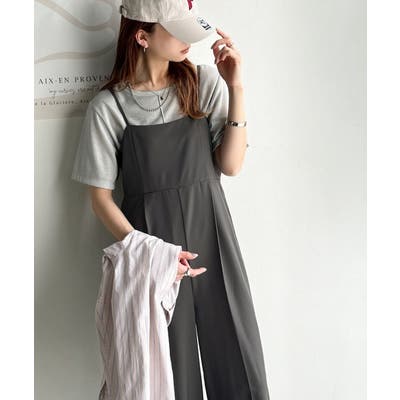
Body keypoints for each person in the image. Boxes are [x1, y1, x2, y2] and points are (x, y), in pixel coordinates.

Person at [71, 0, 271, 399]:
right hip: (154, 251)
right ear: (142, 37)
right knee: (168, 365)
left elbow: (231, 166)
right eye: (176, 30)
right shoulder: (109, 108)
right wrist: (150, 252)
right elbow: (100, 199)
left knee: (236, 347)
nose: (189, 40)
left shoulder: (203, 82)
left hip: (212, 235)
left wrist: (235, 86)